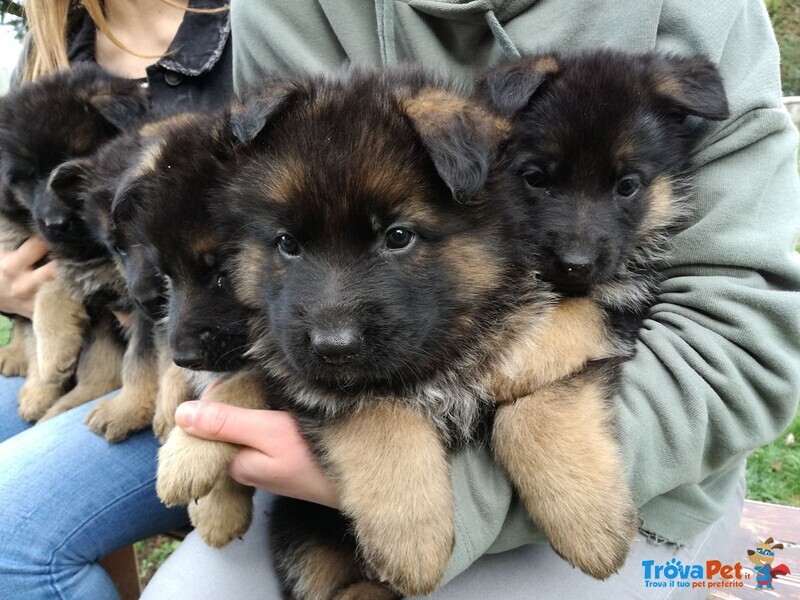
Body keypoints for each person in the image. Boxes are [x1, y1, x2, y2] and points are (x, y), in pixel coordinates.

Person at [142, 0, 800, 598]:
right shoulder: (282, 14)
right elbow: (258, 235)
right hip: (334, 485)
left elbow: (743, 339)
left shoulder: (703, 16)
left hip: (644, 482)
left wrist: (477, 480)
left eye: (397, 236)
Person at [0, 1, 232, 597]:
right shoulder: (52, 46)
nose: (50, 208)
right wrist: (11, 291)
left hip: (206, 351)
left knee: (11, 537)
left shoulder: (260, 26)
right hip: (97, 330)